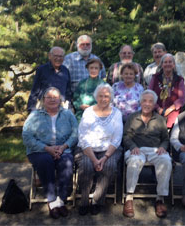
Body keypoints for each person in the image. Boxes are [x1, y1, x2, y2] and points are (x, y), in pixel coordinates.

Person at [22, 87, 78, 219]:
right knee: (45, 161)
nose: (53, 100)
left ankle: (61, 200)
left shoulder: (68, 114)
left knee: (67, 162)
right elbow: (27, 136)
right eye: (49, 97)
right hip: (39, 150)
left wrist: (63, 147)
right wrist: (47, 148)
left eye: (56, 97)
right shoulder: (35, 116)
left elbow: (75, 134)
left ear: (60, 100)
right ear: (43, 100)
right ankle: (52, 200)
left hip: (62, 148)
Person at [122, 90, 172, 218]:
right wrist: (133, 146)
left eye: (150, 101)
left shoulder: (160, 119)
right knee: (134, 161)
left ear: (155, 104)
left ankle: (160, 198)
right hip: (137, 149)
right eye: (144, 101)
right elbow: (126, 136)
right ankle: (129, 197)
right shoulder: (133, 117)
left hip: (155, 150)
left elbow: (166, 139)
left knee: (166, 160)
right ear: (140, 102)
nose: (147, 104)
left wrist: (162, 147)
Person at [76, 83, 123, 216]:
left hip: (109, 150)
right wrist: (94, 159)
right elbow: (83, 137)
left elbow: (117, 138)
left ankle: (97, 200)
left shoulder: (117, 113)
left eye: (107, 96)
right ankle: (84, 201)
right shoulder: (88, 112)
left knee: (109, 166)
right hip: (87, 149)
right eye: (101, 96)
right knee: (86, 166)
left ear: (111, 98)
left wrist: (105, 157)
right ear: (96, 97)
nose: (103, 99)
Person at [27, 47, 72, 112]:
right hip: (43, 107)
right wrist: (31, 109)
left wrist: (69, 107)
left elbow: (68, 92)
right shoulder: (41, 70)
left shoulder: (65, 71)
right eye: (56, 56)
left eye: (61, 56)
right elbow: (35, 90)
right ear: (49, 56)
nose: (58, 58)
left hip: (61, 108)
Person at [149, 53, 185, 129]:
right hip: (155, 113)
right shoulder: (155, 78)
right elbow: (149, 95)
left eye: (170, 62)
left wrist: (169, 110)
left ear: (174, 65)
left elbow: (181, 100)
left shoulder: (179, 80)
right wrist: (158, 108)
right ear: (162, 65)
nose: (167, 64)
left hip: (173, 114)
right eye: (165, 62)